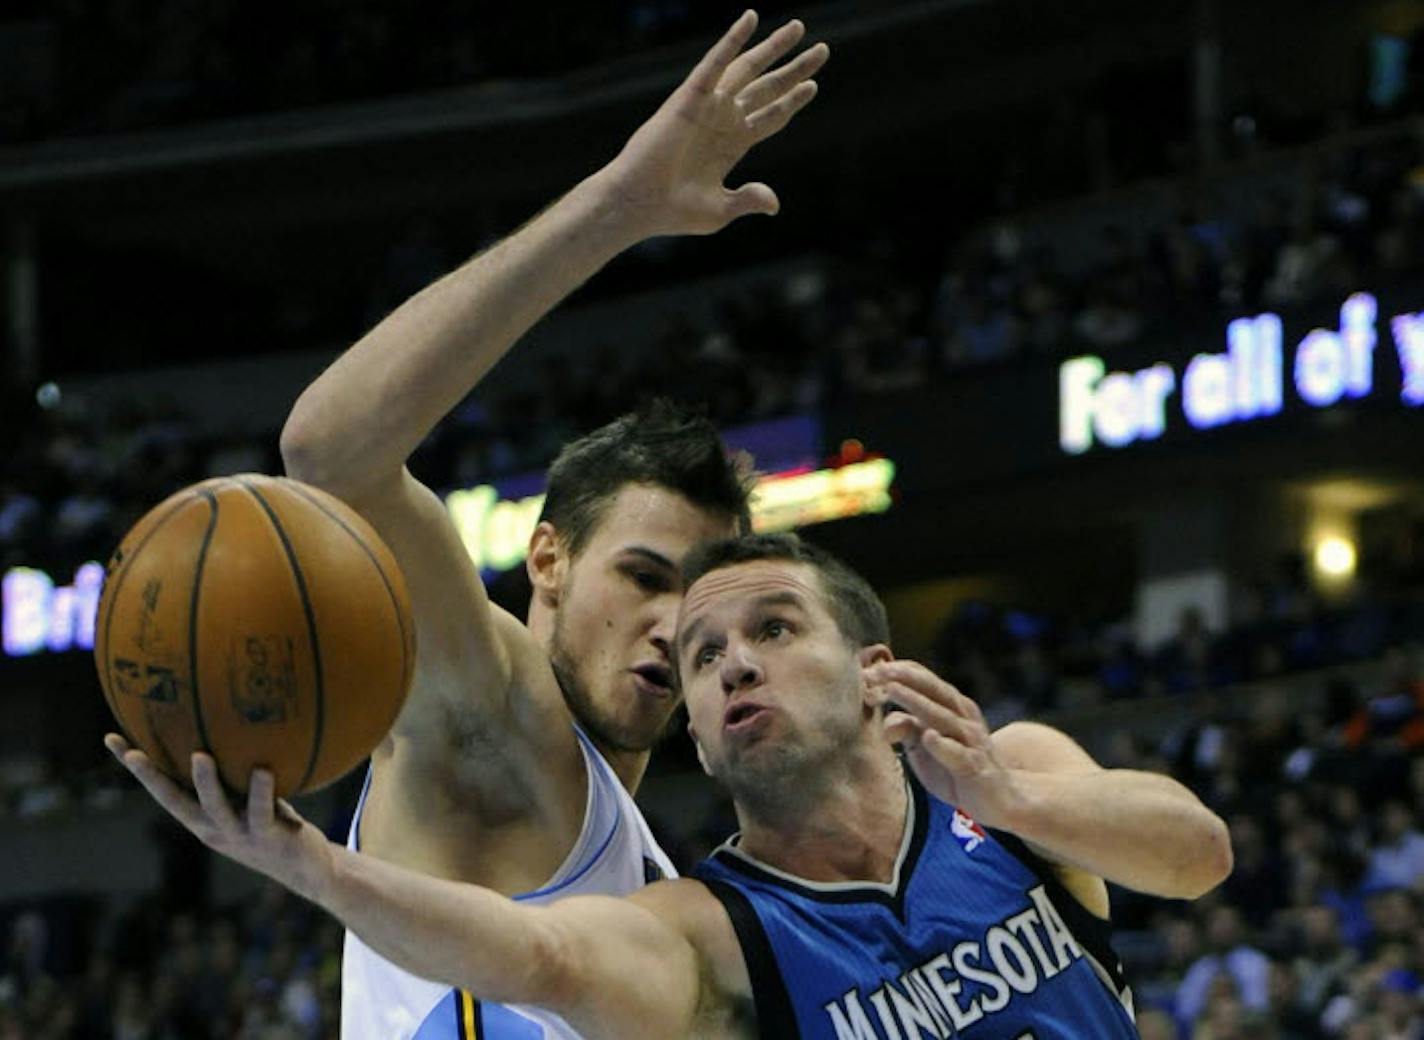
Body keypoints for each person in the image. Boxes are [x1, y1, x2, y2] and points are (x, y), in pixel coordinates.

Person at [271, 11, 828, 1036]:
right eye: (644, 575)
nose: (674, 625)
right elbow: (329, 451)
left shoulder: (648, 868)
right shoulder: (496, 709)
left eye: (698, 598)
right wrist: (616, 207)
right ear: (547, 558)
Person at [109, 532, 1234, 1039]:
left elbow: (1195, 853)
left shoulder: (1018, 783)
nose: (733, 659)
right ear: (696, 732)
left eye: (773, 628)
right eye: (702, 656)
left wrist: (1018, 798)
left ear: (870, 669)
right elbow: (532, 951)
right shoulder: (706, 936)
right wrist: (308, 864)